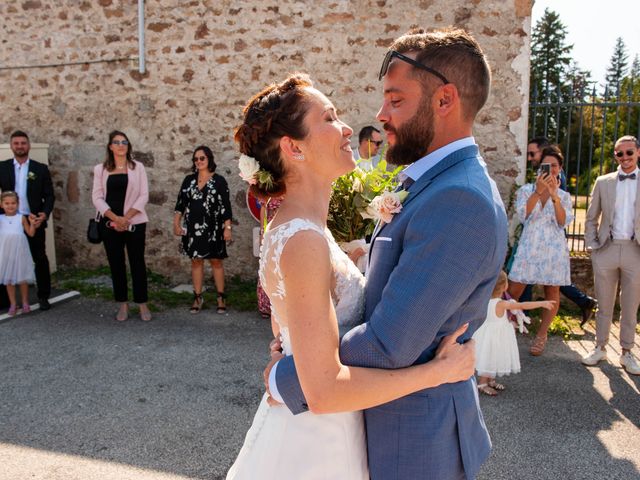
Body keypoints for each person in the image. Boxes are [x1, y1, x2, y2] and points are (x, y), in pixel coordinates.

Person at [267, 28, 508, 480]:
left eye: (395, 100)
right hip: (376, 420)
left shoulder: (461, 201)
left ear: (445, 100)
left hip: (413, 443)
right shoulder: (433, 183)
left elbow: (387, 344)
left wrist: (293, 373)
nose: (381, 115)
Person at [228, 71, 478, 480]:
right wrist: (439, 371)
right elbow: (324, 391)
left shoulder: (298, 228)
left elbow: (283, 321)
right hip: (318, 445)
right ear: (294, 148)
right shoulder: (304, 240)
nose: (346, 128)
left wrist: (285, 361)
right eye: (328, 118)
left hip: (325, 428)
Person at [522, 136, 598, 325]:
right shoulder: (542, 175)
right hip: (539, 236)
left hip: (550, 236)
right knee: (545, 278)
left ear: (542, 151)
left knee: (544, 280)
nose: (530, 158)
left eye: (533, 153)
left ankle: (522, 318)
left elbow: (556, 212)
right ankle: (583, 301)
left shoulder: (555, 175)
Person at [582, 135, 640, 376]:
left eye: (629, 152)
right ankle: (600, 347)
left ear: (638, 152)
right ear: (615, 155)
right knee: (604, 303)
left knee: (630, 305)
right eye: (619, 154)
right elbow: (591, 215)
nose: (624, 158)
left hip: (635, 250)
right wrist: (592, 245)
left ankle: (627, 352)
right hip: (606, 249)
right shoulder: (603, 181)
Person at [508, 145, 574, 356]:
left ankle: (541, 335)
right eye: (547, 165)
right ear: (539, 166)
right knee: (512, 291)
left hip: (553, 250)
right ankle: (504, 331)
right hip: (530, 247)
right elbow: (523, 216)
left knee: (551, 292)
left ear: (560, 168)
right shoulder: (526, 190)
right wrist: (538, 192)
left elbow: (563, 222)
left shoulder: (564, 196)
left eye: (555, 166)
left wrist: (554, 196)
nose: (551, 170)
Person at [92, 131, 151, 322]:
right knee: (116, 264)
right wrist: (115, 218)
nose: (120, 145)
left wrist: (126, 218)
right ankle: (123, 304)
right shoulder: (100, 169)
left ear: (128, 145)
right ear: (110, 146)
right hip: (109, 224)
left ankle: (142, 304)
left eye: (124, 141)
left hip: (134, 223)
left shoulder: (138, 167)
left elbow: (144, 195)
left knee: (137, 263)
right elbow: (97, 197)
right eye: (116, 142)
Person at [474, 271, 555, 396]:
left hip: (489, 334)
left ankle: (490, 380)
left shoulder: (484, 301)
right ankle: (482, 383)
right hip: (495, 336)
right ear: (504, 286)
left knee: (492, 357)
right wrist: (542, 303)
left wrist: (508, 323)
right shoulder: (500, 303)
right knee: (490, 357)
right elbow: (522, 305)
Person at [173, 146, 232, 314]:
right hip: (193, 229)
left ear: (209, 159)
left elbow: (225, 207)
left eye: (202, 158)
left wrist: (227, 228)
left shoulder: (219, 181)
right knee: (196, 261)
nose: (198, 161)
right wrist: (176, 224)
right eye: (196, 159)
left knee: (216, 261)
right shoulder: (188, 180)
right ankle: (198, 297)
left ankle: (221, 297)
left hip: (214, 229)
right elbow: (180, 205)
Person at [0, 130, 55, 311]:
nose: (20, 146)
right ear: (12, 146)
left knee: (39, 258)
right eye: (16, 143)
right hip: (9, 221)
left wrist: (43, 215)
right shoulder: (3, 167)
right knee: (5, 259)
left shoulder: (40, 169)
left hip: (33, 220)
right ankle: (6, 301)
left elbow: (49, 196)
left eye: (23, 143)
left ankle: (44, 296)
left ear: (28, 145)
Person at [0, 191, 36, 315]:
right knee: (8, 279)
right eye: (7, 203)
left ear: (18, 204)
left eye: (13, 203)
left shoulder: (21, 217)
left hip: (20, 251)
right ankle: (13, 304)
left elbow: (31, 233)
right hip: (6, 252)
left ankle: (25, 302)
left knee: (22, 278)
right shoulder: (1, 219)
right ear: (1, 205)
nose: (10, 206)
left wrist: (32, 224)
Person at [256, 196, 282, 318]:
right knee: (269, 265)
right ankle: (266, 305)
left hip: (287, 225)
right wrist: (263, 231)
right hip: (272, 228)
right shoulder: (269, 183)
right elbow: (263, 208)